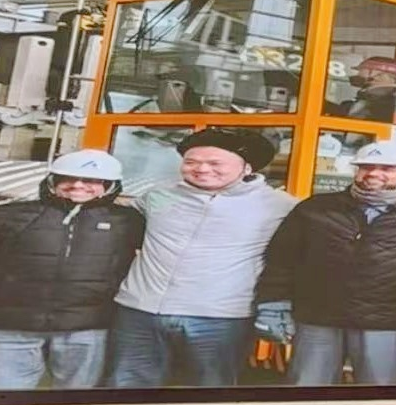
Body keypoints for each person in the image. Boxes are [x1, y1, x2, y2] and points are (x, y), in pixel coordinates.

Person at [254, 140, 396, 386]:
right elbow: (281, 261)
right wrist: (273, 307)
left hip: (388, 324)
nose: (374, 173)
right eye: (366, 167)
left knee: (380, 398)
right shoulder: (315, 209)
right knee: (306, 393)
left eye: (387, 169)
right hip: (317, 318)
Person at [108, 129, 296, 387]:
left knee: (208, 391)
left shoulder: (279, 205)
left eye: (215, 163)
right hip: (140, 310)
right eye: (191, 162)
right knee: (127, 388)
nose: (202, 169)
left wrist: (278, 307)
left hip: (220, 317)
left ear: (247, 167)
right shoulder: (158, 195)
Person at [0, 149, 143, 391]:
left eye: (91, 180)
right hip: (11, 327)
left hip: (87, 329)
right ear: (52, 181)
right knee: (1, 398)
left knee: (76, 401)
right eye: (67, 178)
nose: (77, 185)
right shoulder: (3, 217)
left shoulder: (129, 222)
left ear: (110, 186)